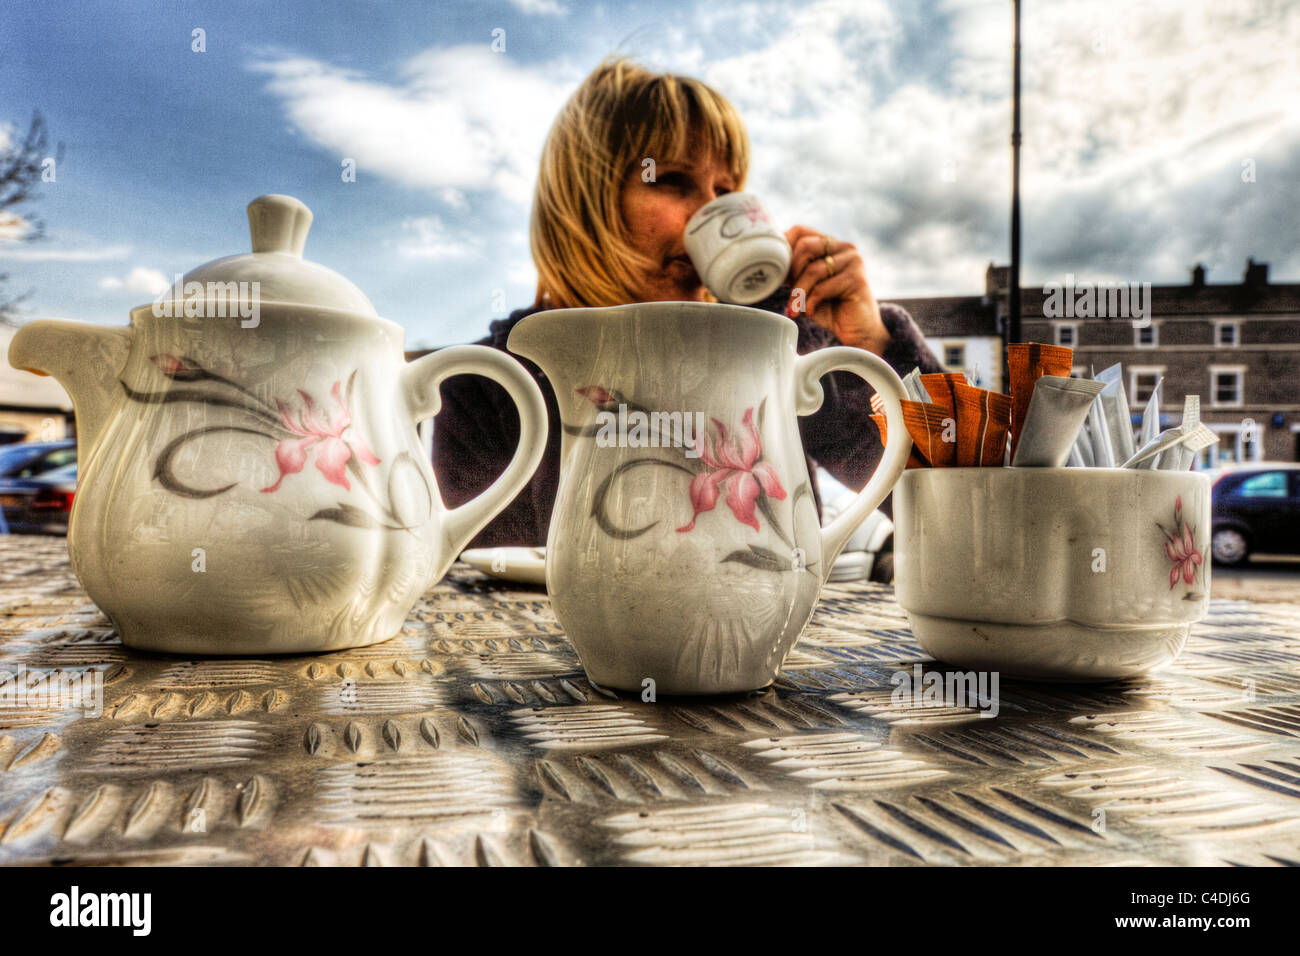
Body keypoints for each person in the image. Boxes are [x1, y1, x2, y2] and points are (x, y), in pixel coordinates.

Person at [432, 57, 943, 550]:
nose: (710, 212)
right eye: (672, 180)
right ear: (582, 201)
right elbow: (479, 583)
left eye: (726, 190)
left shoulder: (774, 351)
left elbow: (948, 514)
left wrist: (870, 343)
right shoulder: (488, 386)